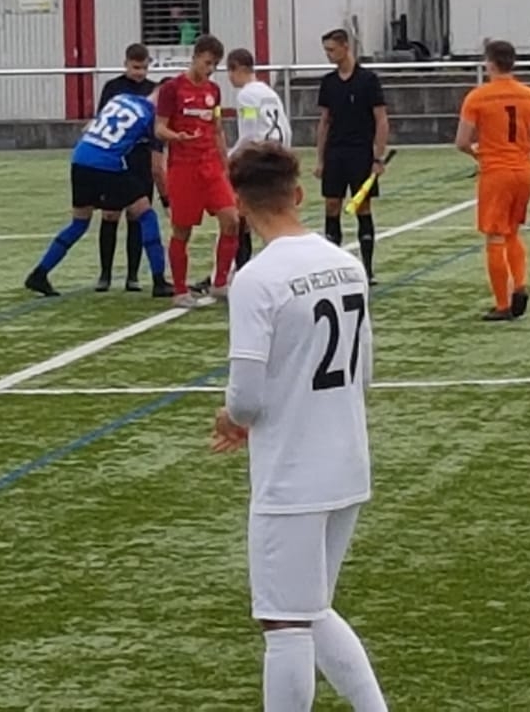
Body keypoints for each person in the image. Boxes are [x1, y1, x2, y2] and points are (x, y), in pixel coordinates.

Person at [210, 143, 386, 712]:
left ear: (240, 205)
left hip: (292, 474)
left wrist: (232, 419)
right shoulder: (346, 264)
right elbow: (365, 369)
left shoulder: (256, 279)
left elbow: (246, 395)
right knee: (312, 608)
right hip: (347, 460)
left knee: (284, 622)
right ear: (299, 194)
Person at [26, 85, 179, 299]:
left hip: (80, 159)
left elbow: (90, 127)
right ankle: (159, 281)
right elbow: (156, 168)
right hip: (106, 164)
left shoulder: (121, 97)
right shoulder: (152, 118)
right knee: (146, 214)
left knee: (79, 223)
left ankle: (40, 273)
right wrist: (167, 201)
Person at [456, 40, 530, 323]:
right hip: (523, 171)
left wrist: (478, 153)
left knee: (494, 235)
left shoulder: (478, 97)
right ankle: (520, 283)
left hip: (496, 172)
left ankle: (502, 304)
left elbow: (462, 141)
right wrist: (521, 148)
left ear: (490, 63)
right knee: (512, 231)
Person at [155, 35, 240, 307]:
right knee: (182, 230)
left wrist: (225, 165)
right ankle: (180, 290)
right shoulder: (172, 89)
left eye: (215, 64)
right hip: (183, 168)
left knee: (232, 219)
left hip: (210, 166)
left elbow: (217, 129)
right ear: (195, 57)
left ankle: (220, 282)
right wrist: (176, 136)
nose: (210, 69)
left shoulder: (213, 90)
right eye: (207, 63)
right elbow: (159, 128)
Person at [316, 29, 390, 282]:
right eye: (326, 50)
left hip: (361, 153)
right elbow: (324, 121)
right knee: (331, 205)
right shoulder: (328, 82)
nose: (328, 54)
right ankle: (333, 266)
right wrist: (320, 159)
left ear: (345, 47)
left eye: (331, 49)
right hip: (335, 152)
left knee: (363, 207)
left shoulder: (368, 80)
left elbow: (381, 119)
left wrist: (378, 156)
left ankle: (367, 269)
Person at [95, 44, 165, 293]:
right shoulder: (112, 88)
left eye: (144, 68)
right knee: (110, 215)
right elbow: (102, 121)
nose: (139, 73)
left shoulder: (152, 90)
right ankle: (105, 274)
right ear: (125, 64)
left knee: (137, 215)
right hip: (115, 159)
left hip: (141, 159)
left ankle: (133, 276)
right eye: (135, 67)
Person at [226, 46, 291, 273]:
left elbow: (249, 132)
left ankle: (242, 268)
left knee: (243, 216)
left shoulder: (246, 96)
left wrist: (230, 157)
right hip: (278, 154)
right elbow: (285, 126)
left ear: (237, 68)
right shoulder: (268, 92)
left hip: (259, 158)